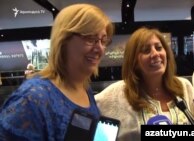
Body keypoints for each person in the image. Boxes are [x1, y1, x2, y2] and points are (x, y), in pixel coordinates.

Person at [0, 3, 113, 141]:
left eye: (103, 40)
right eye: (90, 39)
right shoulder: (32, 98)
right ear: (64, 40)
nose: (100, 48)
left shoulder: (84, 88)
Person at [95, 27, 194, 141]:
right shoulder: (114, 95)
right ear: (134, 61)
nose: (155, 54)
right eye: (146, 50)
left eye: (159, 48)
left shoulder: (184, 86)